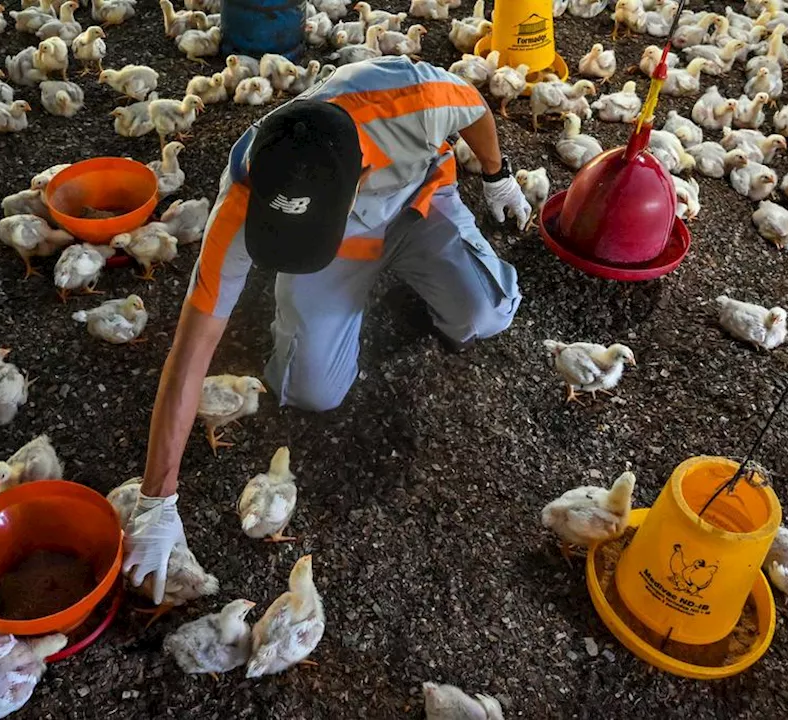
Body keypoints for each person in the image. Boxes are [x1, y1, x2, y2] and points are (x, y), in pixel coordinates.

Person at [123, 56, 527, 601]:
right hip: (339, 248)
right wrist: (157, 501)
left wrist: (497, 178)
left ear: (358, 175)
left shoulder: (411, 100)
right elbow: (191, 352)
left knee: (489, 315)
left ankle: (422, 272)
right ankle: (331, 287)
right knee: (312, 391)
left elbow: (477, 110)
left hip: (419, 203)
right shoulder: (241, 199)